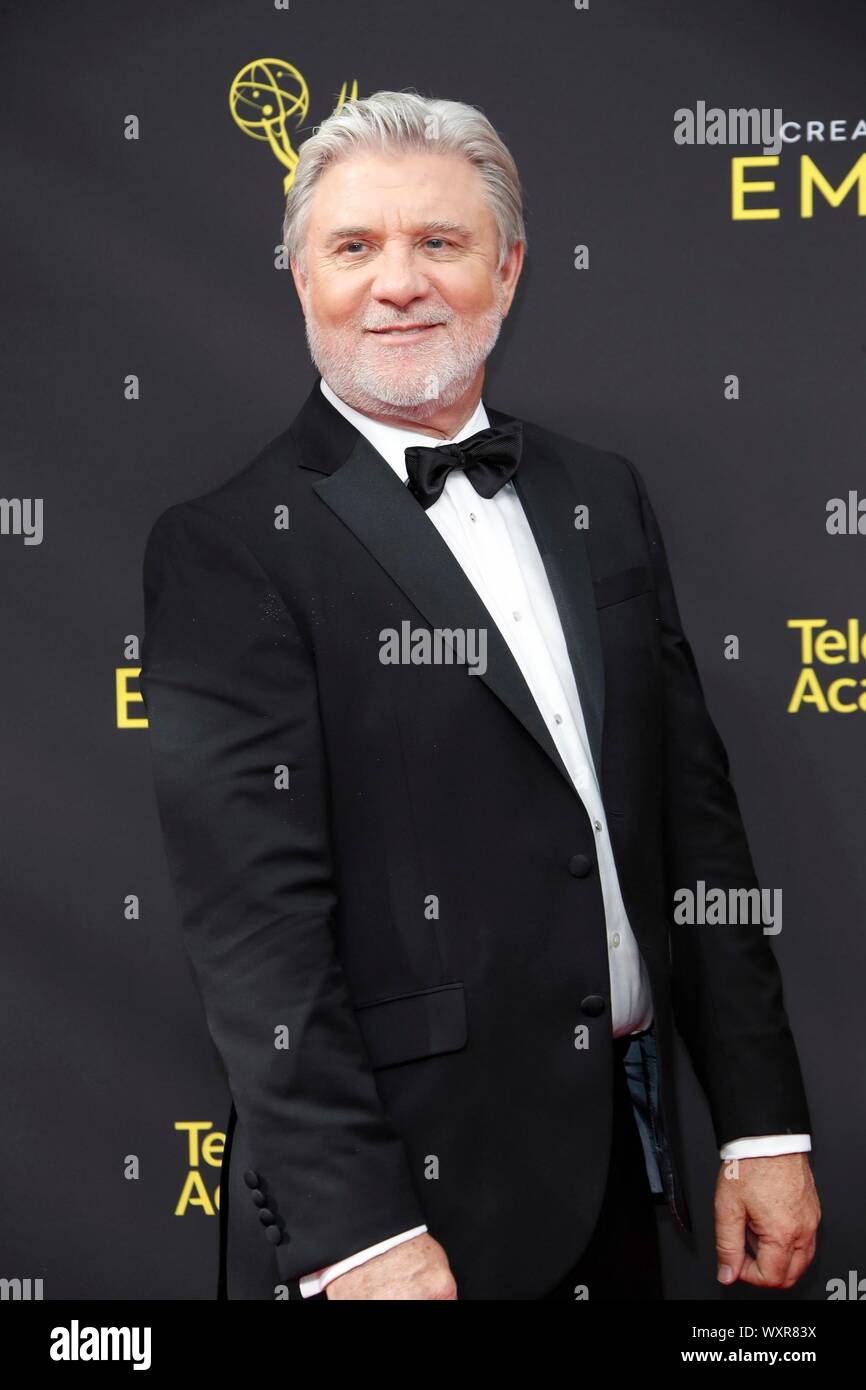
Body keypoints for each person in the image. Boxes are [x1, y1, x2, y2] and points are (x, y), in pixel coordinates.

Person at [140, 90, 820, 1301]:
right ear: (302, 278)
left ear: (506, 270)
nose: (397, 282)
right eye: (353, 248)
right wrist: (358, 1235)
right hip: (408, 1209)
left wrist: (762, 1126)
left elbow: (695, 825)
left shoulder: (599, 492)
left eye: (438, 243)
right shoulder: (230, 547)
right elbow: (257, 938)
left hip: (626, 1162)